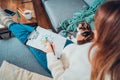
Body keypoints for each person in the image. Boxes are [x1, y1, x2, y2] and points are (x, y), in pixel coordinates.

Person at [45, 1, 120, 80]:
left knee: (32, 35)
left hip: (59, 63)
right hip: (72, 51)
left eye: (97, 28)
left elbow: (60, 77)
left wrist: (50, 54)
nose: (94, 31)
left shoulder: (88, 54)